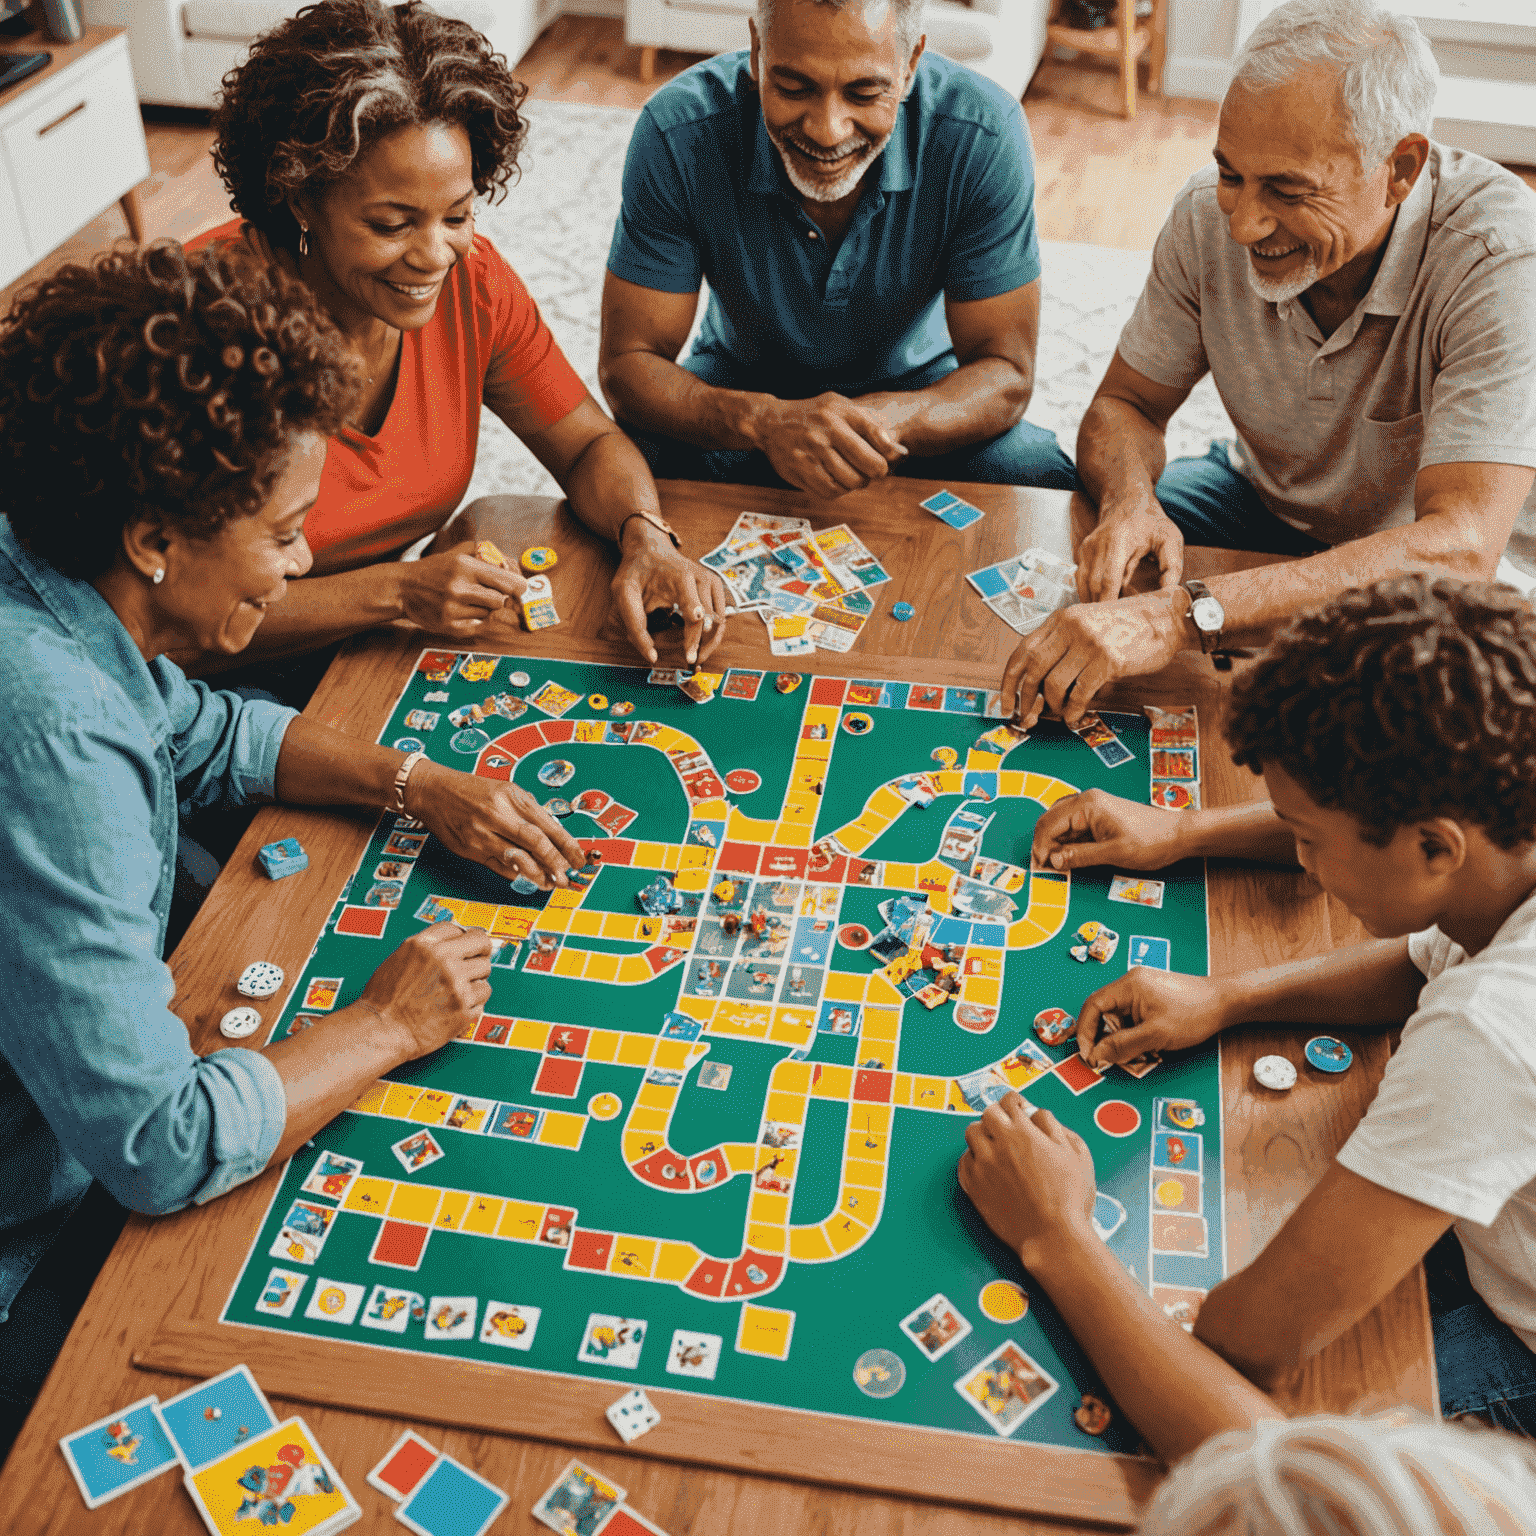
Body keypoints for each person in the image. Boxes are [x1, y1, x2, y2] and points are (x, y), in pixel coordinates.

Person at [0, 241, 584, 1458]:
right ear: (157, 535)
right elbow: (159, 1150)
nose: (307, 563)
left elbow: (198, 728)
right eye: (285, 531)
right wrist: (388, 1026)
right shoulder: (52, 731)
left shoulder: (51, 574)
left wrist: (420, 782)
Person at [1019, 574, 1536, 1433]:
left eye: (1308, 840)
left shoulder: (1491, 1029)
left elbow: (1241, 1344)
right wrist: (1225, 996)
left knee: (1300, 1455)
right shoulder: (1505, 832)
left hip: (1518, 1344)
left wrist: (1055, 1231)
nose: (1302, 867)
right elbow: (1420, 964)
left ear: (1436, 846)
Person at [1000, 0, 1536, 729]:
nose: (1245, 224)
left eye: (1287, 190)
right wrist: (1131, 500)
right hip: (1258, 498)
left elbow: (1462, 548)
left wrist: (1179, 618)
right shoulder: (1204, 219)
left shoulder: (1500, 257)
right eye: (1231, 174)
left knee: (1442, 731)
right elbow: (1125, 406)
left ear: (1400, 169)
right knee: (1085, 552)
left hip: (1414, 566)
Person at [201, 0, 728, 699]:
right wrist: (396, 592)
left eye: (458, 214)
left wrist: (646, 536)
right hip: (208, 687)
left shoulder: (471, 280)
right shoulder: (194, 328)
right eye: (391, 224)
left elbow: (587, 445)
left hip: (362, 649)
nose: (432, 256)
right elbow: (168, 619)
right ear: (300, 200)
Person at [598, 0, 1078, 500]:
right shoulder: (678, 130)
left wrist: (863, 428)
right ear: (757, 52)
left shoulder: (983, 133)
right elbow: (627, 367)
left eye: (865, 92)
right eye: (793, 87)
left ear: (910, 64)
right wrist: (764, 422)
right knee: (626, 461)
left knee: (1037, 476)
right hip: (740, 381)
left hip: (919, 390)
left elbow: (1006, 373)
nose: (827, 130)